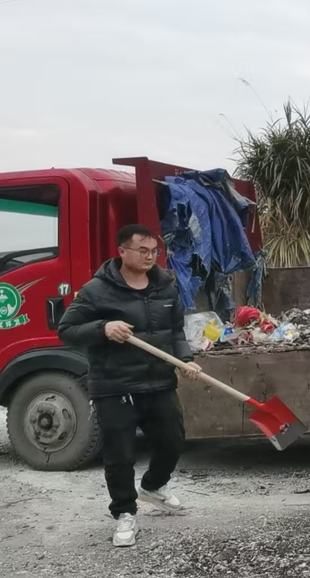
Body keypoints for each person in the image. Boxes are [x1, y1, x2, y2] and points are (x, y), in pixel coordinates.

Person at [58, 224, 202, 548]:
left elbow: (175, 332)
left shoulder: (166, 286)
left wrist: (185, 359)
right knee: (120, 454)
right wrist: (103, 327)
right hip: (114, 383)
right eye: (143, 250)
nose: (150, 256)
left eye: (154, 251)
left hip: (158, 380)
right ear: (122, 251)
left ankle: (153, 486)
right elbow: (66, 329)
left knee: (172, 440)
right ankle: (124, 513)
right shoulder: (97, 290)